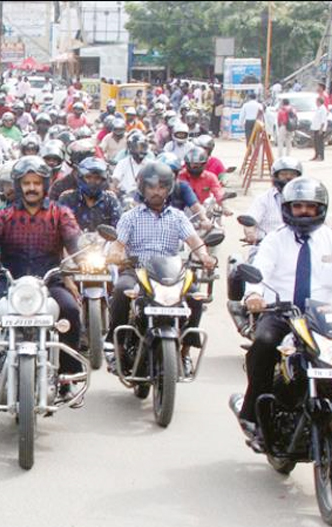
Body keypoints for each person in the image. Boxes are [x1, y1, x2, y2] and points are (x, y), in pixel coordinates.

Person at [0, 156, 84, 399]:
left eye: (37, 183)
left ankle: (67, 378)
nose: (31, 188)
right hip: (9, 280)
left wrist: (85, 263)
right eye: (26, 183)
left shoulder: (61, 213)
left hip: (49, 281)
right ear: (18, 186)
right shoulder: (4, 215)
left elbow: (74, 243)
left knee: (70, 309)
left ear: (45, 185)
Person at [229, 177, 332, 447]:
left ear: (321, 208)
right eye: (298, 206)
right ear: (288, 208)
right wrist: (253, 294)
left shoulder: (329, 238)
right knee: (263, 345)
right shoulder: (275, 240)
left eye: (311, 206)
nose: (304, 212)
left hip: (321, 318)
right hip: (281, 313)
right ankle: (253, 415)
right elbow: (259, 273)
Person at [105, 162, 216, 376]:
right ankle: (116, 348)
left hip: (171, 275)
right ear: (143, 189)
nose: (156, 192)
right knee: (120, 290)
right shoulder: (131, 217)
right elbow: (118, 244)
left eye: (162, 187)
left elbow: (195, 240)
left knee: (196, 298)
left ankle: (184, 353)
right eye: (151, 187)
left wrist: (204, 255)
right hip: (137, 271)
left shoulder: (177, 216)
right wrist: (115, 253)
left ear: (169, 189)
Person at [243, 157, 302, 243]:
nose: (288, 178)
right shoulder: (263, 199)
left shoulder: (307, 200)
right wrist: (250, 234)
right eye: (284, 174)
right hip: (266, 246)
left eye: (292, 174)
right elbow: (251, 220)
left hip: (297, 246)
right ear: (276, 176)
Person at [58, 157, 121, 232]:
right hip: (73, 242)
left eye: (97, 178)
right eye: (88, 177)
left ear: (103, 180)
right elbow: (59, 228)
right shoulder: (67, 199)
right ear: (81, 178)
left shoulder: (110, 200)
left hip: (104, 243)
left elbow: (118, 230)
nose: (92, 182)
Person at [178, 146, 232, 214]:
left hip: (205, 209)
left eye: (197, 164)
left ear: (204, 164)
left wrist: (225, 207)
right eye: (192, 164)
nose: (194, 167)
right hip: (184, 210)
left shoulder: (211, 177)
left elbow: (218, 192)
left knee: (217, 220)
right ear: (187, 164)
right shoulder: (180, 176)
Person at [111, 131, 152, 195]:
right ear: (131, 148)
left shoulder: (151, 164)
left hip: (146, 197)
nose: (140, 150)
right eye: (137, 147)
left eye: (143, 147)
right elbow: (115, 179)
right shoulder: (123, 163)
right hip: (126, 197)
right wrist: (114, 187)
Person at [311, 96, 328, 161]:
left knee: (320, 143)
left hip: (320, 129)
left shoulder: (323, 109)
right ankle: (316, 155)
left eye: (317, 101)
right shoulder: (318, 109)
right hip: (315, 128)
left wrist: (321, 129)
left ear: (319, 102)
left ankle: (321, 156)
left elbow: (323, 120)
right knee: (315, 143)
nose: (316, 103)